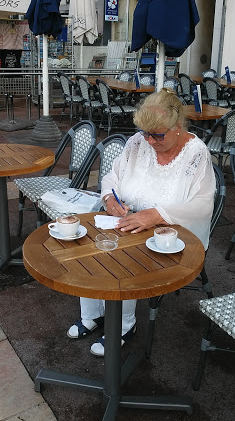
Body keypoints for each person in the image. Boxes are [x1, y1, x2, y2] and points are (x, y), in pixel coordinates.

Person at [68, 88, 216, 356]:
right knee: (91, 244)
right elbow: (112, 177)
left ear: (178, 126)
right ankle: (93, 312)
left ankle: (124, 325)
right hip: (129, 221)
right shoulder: (138, 142)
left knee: (123, 255)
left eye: (158, 134)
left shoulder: (196, 154)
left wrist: (157, 215)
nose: (150, 141)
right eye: (146, 133)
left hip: (172, 234)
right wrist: (109, 199)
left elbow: (203, 205)